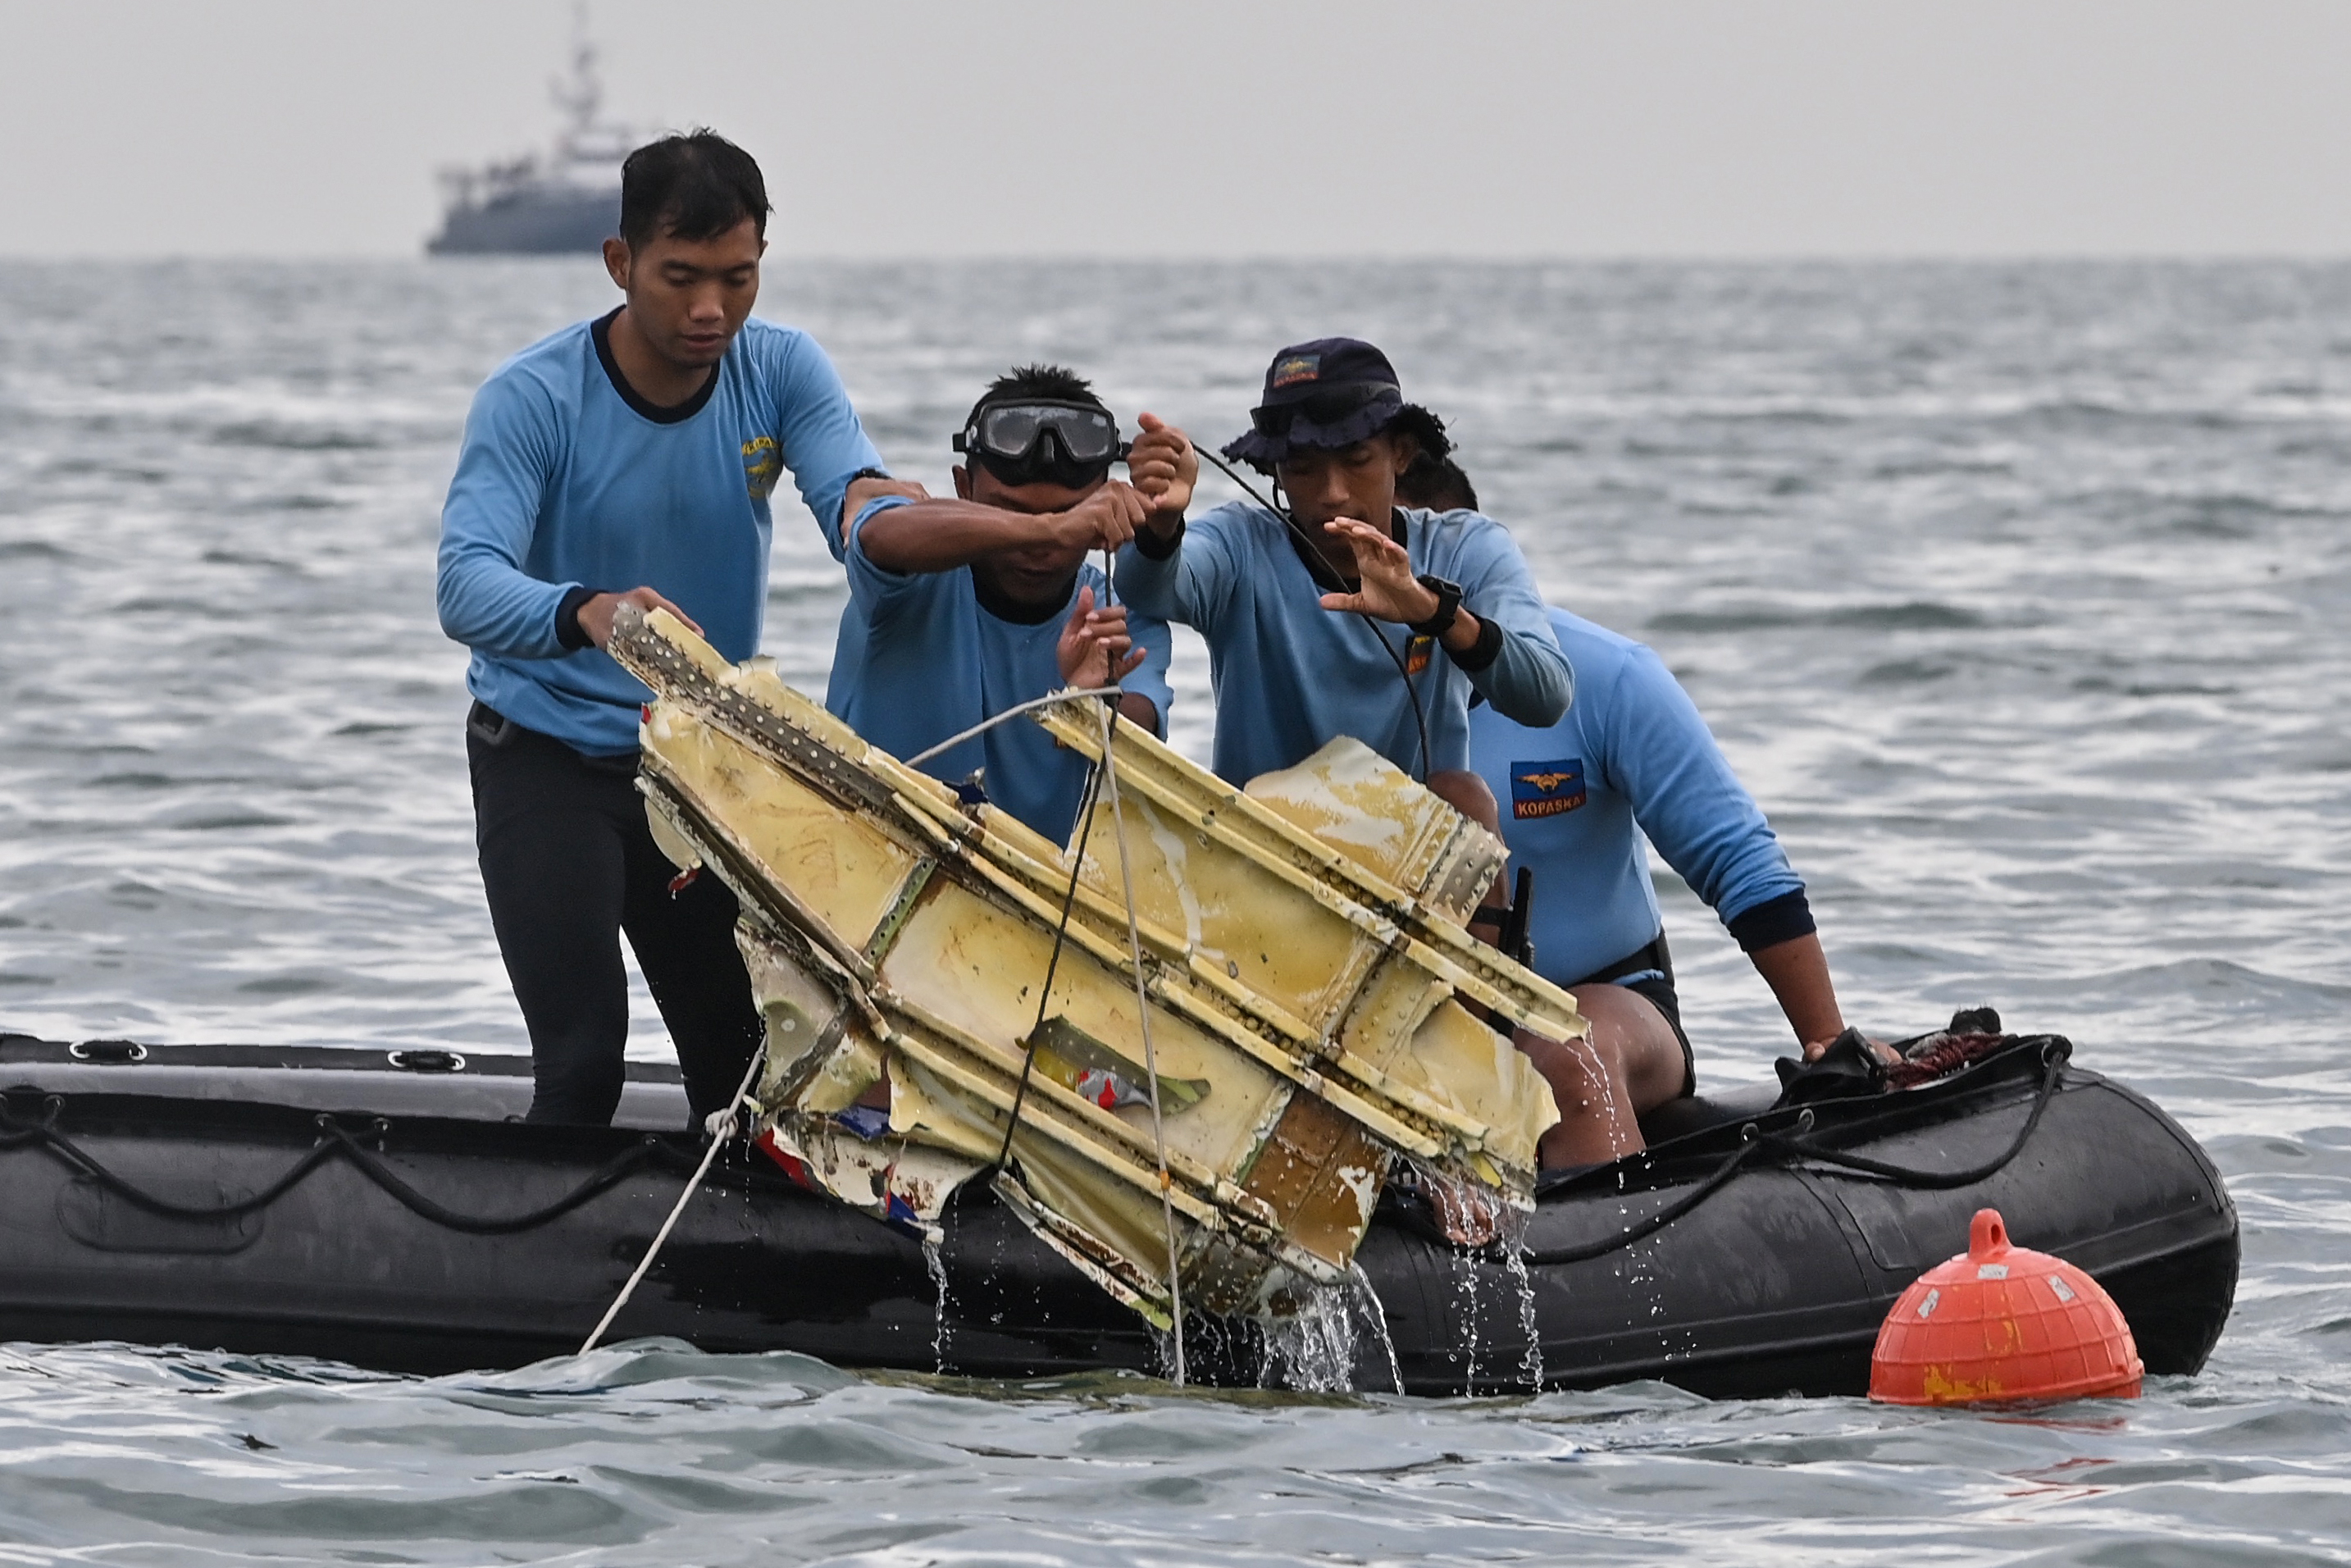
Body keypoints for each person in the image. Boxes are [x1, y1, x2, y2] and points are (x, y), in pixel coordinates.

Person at [435, 130, 903, 1127]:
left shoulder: (776, 371)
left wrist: (983, 525)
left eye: (737, 280)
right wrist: (587, 610)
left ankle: (724, 1281)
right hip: (545, 757)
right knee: (583, 1066)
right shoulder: (532, 397)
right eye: (679, 278)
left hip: (693, 770)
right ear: (621, 263)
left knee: (747, 1080)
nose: (709, 311)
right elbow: (464, 588)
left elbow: (852, 503)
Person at [1394, 461, 1866, 1170]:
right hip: (1401, 1016)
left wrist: (1826, 1042)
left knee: (1559, 1056)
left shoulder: (1608, 675)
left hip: (1607, 1003)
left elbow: (1737, 861)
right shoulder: (1327, 699)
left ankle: (1632, 1269)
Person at [1114, 338, 1570, 832]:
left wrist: (1432, 611)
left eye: (1356, 460)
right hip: (1262, 857)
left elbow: (1546, 696)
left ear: (1401, 453)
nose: (1333, 493)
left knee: (1465, 797)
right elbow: (1150, 589)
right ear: (1275, 471)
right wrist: (1161, 525)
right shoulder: (1240, 545)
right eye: (1303, 468)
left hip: (1418, 862)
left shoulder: (1467, 548)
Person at [826, 366, 1174, 842]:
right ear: (963, 490)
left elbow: (1145, 732)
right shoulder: (907, 578)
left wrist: (1090, 708)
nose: (1041, 547)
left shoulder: (1119, 614)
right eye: (1011, 511)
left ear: (1104, 505)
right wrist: (1056, 528)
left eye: (1073, 513)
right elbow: (874, 534)